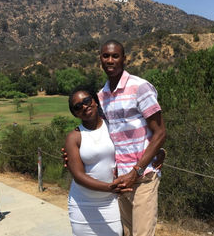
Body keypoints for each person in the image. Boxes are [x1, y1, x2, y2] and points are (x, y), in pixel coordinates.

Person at [97, 39, 166, 236]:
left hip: (143, 177)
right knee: (126, 233)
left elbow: (160, 133)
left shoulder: (140, 87)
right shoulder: (101, 96)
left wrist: (136, 171)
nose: (110, 60)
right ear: (100, 60)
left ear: (124, 59)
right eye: (106, 56)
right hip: (120, 180)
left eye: (115, 56)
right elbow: (102, 135)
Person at [65, 88, 129, 236]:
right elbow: (78, 177)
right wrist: (110, 187)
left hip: (109, 203)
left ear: (95, 101)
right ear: (75, 113)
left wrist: (159, 152)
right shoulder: (74, 137)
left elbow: (134, 144)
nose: (84, 106)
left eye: (87, 100)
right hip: (82, 204)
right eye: (77, 106)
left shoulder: (113, 126)